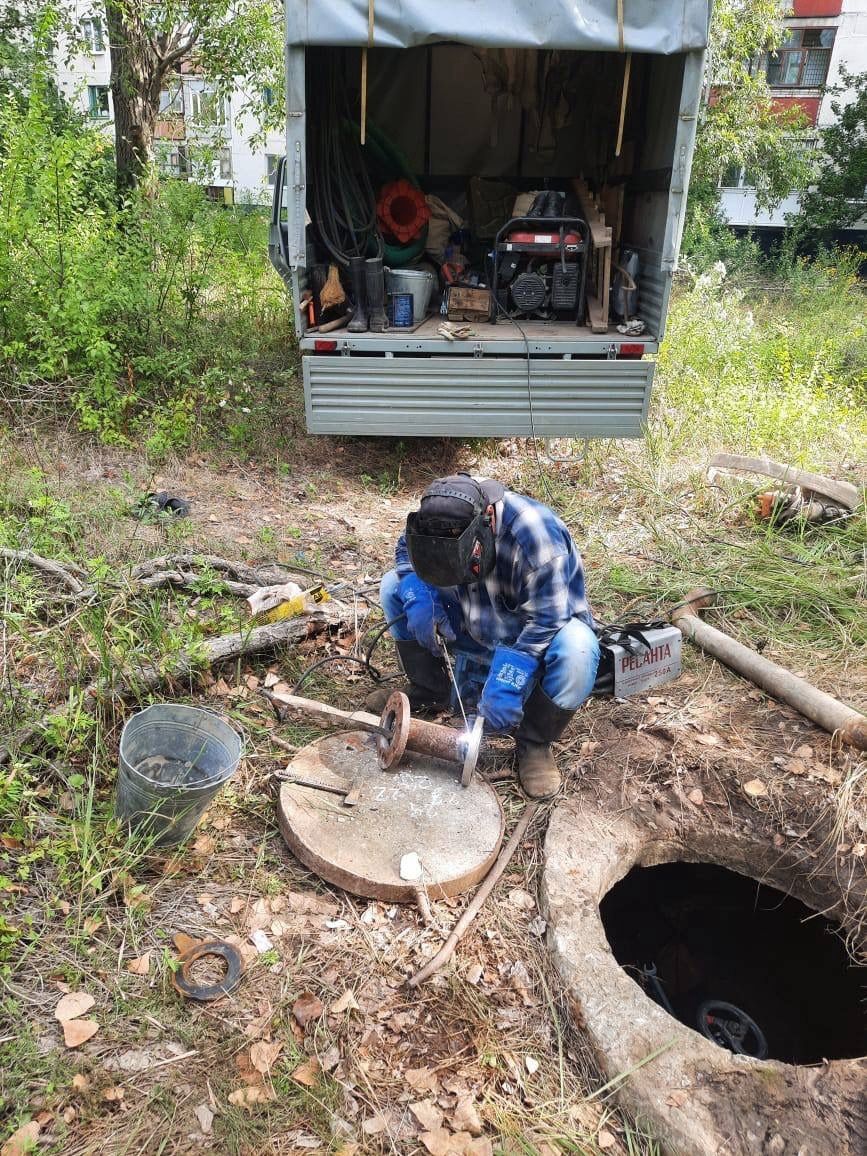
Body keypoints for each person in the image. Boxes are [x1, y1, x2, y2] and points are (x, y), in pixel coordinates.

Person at [372, 474, 599, 798]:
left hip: (527, 635)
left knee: (578, 646)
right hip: (470, 620)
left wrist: (509, 678)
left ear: (487, 520)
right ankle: (430, 688)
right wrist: (416, 591)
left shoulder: (535, 536)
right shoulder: (435, 518)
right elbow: (406, 554)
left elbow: (547, 620)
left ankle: (534, 742)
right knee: (391, 586)